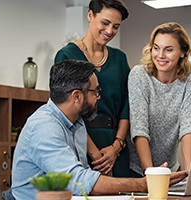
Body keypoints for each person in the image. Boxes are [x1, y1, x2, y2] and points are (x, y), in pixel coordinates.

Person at [10, 60, 187, 200]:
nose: (99, 96)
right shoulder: (44, 127)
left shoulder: (77, 122)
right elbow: (77, 181)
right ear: (77, 96)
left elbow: (82, 183)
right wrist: (144, 184)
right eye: (95, 91)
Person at [54, 0, 130, 177]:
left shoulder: (120, 58)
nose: (110, 31)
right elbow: (65, 108)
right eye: (105, 23)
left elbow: (127, 106)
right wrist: (96, 155)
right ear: (90, 15)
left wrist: (116, 147)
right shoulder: (66, 55)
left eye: (116, 26)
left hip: (116, 145)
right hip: (80, 140)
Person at [127, 22, 191, 177]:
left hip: (171, 167)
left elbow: (188, 128)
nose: (160, 55)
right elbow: (139, 129)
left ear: (183, 52)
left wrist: (190, 175)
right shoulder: (140, 75)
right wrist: (150, 174)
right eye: (156, 48)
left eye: (168, 50)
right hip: (136, 169)